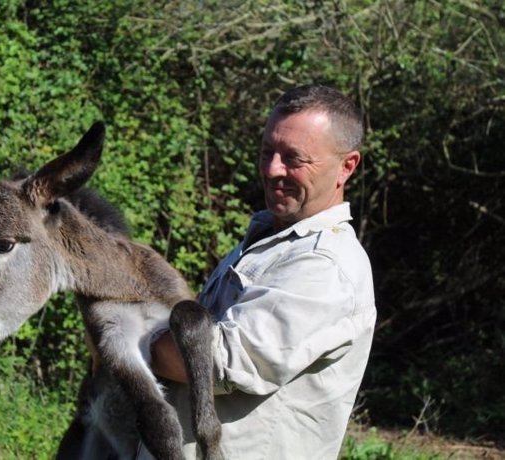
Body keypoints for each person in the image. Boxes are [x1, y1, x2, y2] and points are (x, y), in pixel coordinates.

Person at [149, 84, 377, 459]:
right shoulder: (269, 238)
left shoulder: (325, 266)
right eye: (267, 152)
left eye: (294, 159)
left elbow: (217, 363)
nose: (272, 170)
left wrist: (122, 342)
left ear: (347, 166)